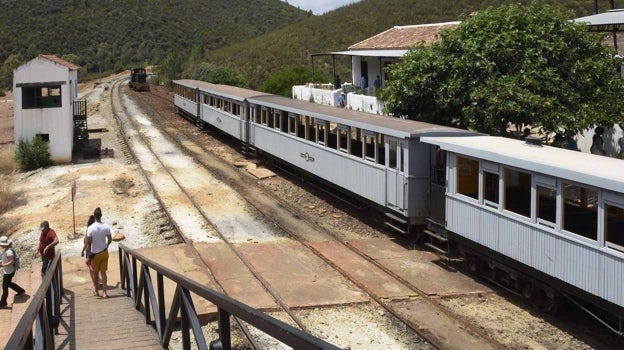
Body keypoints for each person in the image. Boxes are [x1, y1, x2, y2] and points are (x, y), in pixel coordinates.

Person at [85, 207, 112, 298]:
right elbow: (110, 239)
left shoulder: (90, 228)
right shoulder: (106, 226)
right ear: (101, 215)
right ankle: (105, 293)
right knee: (103, 273)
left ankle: (96, 291)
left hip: (95, 254)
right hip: (104, 252)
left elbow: (88, 243)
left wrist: (88, 256)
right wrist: (107, 245)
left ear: (94, 216)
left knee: (95, 273)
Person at [0, 236, 25, 308]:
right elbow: (7, 260)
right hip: (9, 271)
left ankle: (3, 303)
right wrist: (2, 262)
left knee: (5, 287)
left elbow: (11, 262)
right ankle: (21, 291)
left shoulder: (9, 252)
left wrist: (2, 265)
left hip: (8, 272)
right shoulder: (7, 250)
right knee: (9, 284)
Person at [81, 215, 97, 288]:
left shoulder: (89, 229)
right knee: (95, 267)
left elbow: (86, 242)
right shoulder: (96, 229)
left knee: (91, 268)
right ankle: (97, 281)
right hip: (96, 250)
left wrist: (83, 250)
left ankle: (94, 283)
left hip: (89, 251)